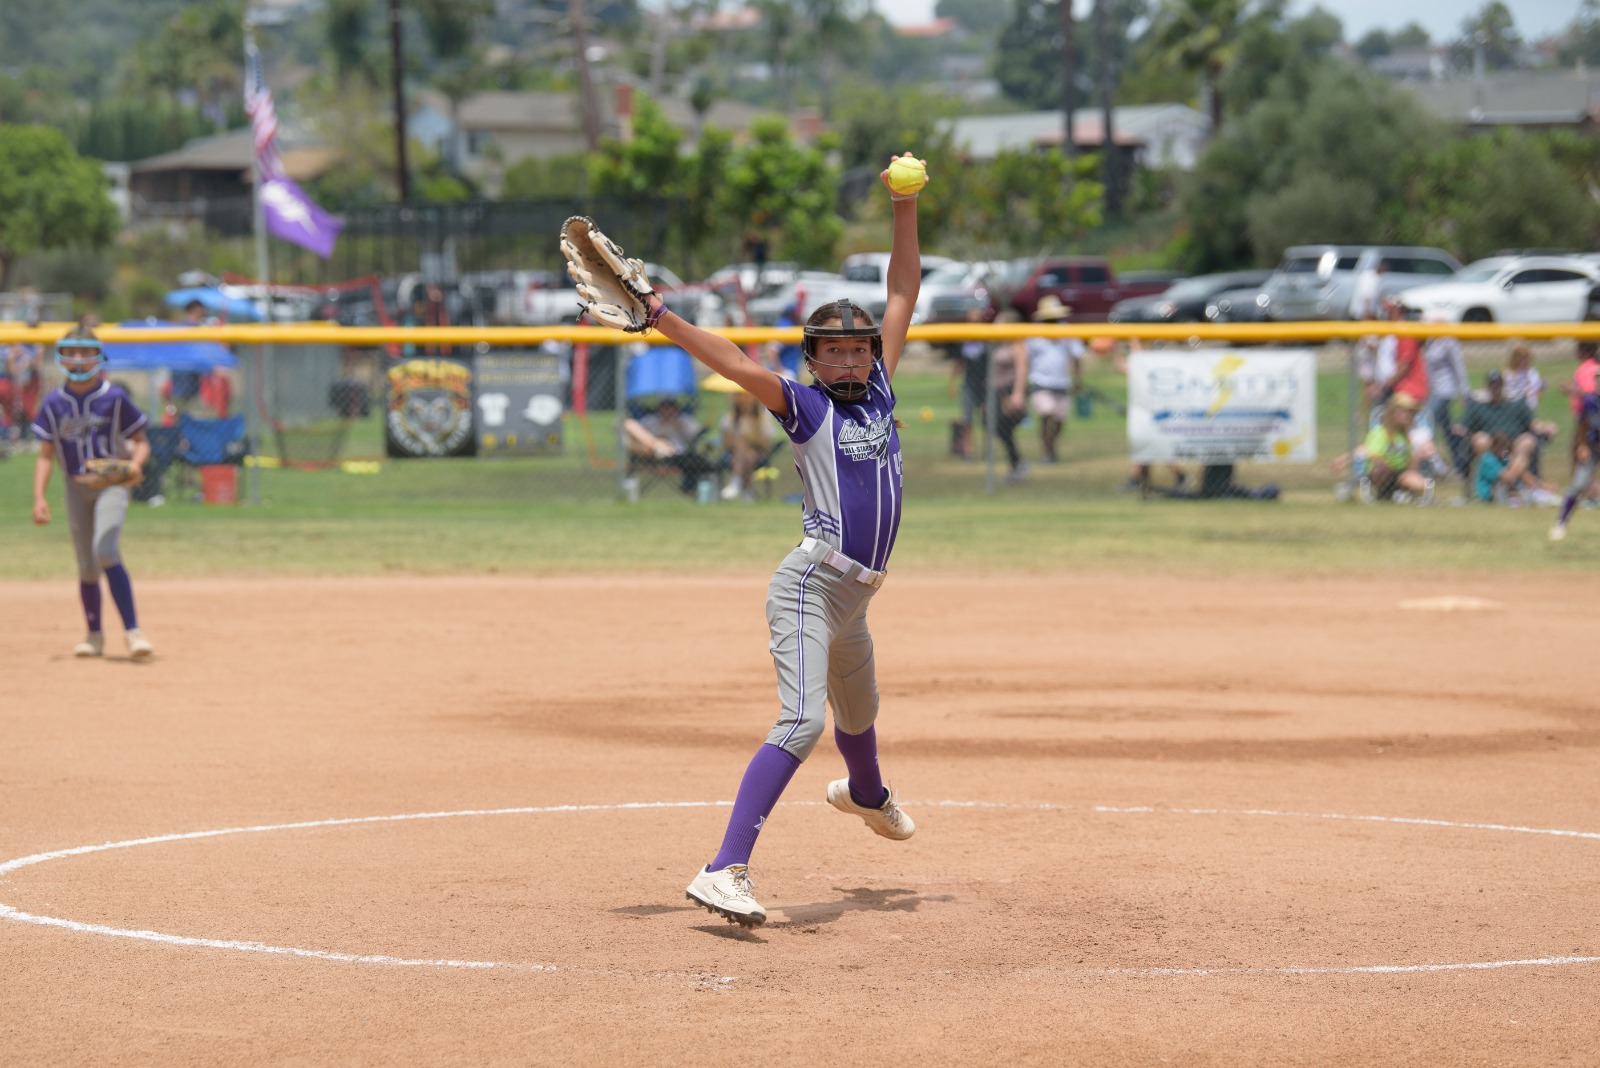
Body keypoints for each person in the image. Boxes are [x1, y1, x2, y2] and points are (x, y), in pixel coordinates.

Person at [614, 154, 923, 928]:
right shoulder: (804, 406)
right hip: (812, 584)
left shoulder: (880, 388)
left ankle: (866, 794)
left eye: (860, 348)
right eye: (835, 350)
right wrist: (662, 317)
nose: (852, 357)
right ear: (811, 360)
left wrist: (903, 207)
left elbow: (902, 290)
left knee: (860, 712)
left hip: (856, 595)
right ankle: (724, 868)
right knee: (803, 722)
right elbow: (732, 360)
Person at [29, 327, 155, 659]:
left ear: (99, 356)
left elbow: (141, 442)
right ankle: (94, 635)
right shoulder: (55, 402)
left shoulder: (114, 397)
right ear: (62, 355)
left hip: (111, 484)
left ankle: (133, 632)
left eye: (86, 352)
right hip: (75, 486)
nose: (79, 358)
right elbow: (45, 455)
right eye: (72, 350)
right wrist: (39, 497)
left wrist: (136, 465)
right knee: (87, 566)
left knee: (105, 550)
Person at [1456, 370, 1559, 501]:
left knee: (1527, 441)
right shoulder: (1478, 406)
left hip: (1510, 453)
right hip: (1492, 452)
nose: (1495, 388)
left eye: (1498, 384)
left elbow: (1534, 424)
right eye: (1492, 385)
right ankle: (1532, 487)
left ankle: (1513, 483)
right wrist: (1458, 430)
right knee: (1481, 440)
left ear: (1503, 385)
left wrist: (1546, 427)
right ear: (1487, 386)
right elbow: (1463, 428)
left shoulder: (1515, 404)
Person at [1025, 294, 1083, 463]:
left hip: (1062, 382)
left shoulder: (1067, 331)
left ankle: (1051, 446)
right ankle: (1047, 452)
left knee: (1060, 419)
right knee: (1046, 413)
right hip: (1040, 381)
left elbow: (1077, 355)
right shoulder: (1034, 334)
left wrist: (1078, 379)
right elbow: (1026, 358)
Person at [622, 395, 713, 494]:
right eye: (664, 406)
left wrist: (679, 427)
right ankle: (658, 445)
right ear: (659, 408)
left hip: (675, 455)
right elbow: (631, 431)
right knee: (629, 425)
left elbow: (698, 434)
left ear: (677, 408)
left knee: (636, 437)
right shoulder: (650, 420)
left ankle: (659, 446)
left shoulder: (683, 420)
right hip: (650, 454)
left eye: (671, 406)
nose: (668, 410)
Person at [1420, 312, 1469, 475]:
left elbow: (1458, 367)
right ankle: (1459, 462)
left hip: (1445, 391)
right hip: (1432, 390)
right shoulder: (1429, 341)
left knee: (1428, 422)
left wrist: (1464, 391)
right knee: (1447, 430)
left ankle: (1431, 464)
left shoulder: (1448, 341)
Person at [1549, 385, 1600, 540]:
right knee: (1578, 484)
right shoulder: (1590, 401)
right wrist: (1582, 445)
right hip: (1592, 446)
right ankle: (1561, 523)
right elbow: (1582, 424)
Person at [1360, 391, 1431, 502]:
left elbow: (1410, 460)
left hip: (1400, 473)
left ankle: (1404, 494)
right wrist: (1390, 468)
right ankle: (1384, 493)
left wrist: (1413, 466)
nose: (1408, 416)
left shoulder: (1407, 436)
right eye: (1405, 412)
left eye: (1411, 413)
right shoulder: (1380, 432)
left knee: (1422, 484)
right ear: (1393, 413)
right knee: (1381, 470)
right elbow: (1374, 455)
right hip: (1385, 471)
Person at [987, 310, 1030, 483]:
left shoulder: (1017, 344)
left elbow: (1022, 369)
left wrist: (1018, 393)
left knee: (1002, 427)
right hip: (998, 391)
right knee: (996, 426)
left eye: (999, 322)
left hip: (1011, 390)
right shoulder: (1000, 344)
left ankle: (1017, 463)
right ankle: (1016, 463)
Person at [719, 389, 776, 501]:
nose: (744, 400)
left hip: (756, 453)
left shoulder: (762, 418)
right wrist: (741, 441)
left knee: (747, 452)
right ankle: (747, 492)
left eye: (748, 397)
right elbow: (727, 443)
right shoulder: (730, 418)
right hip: (734, 453)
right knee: (746, 454)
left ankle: (736, 482)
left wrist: (751, 438)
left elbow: (766, 444)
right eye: (741, 396)